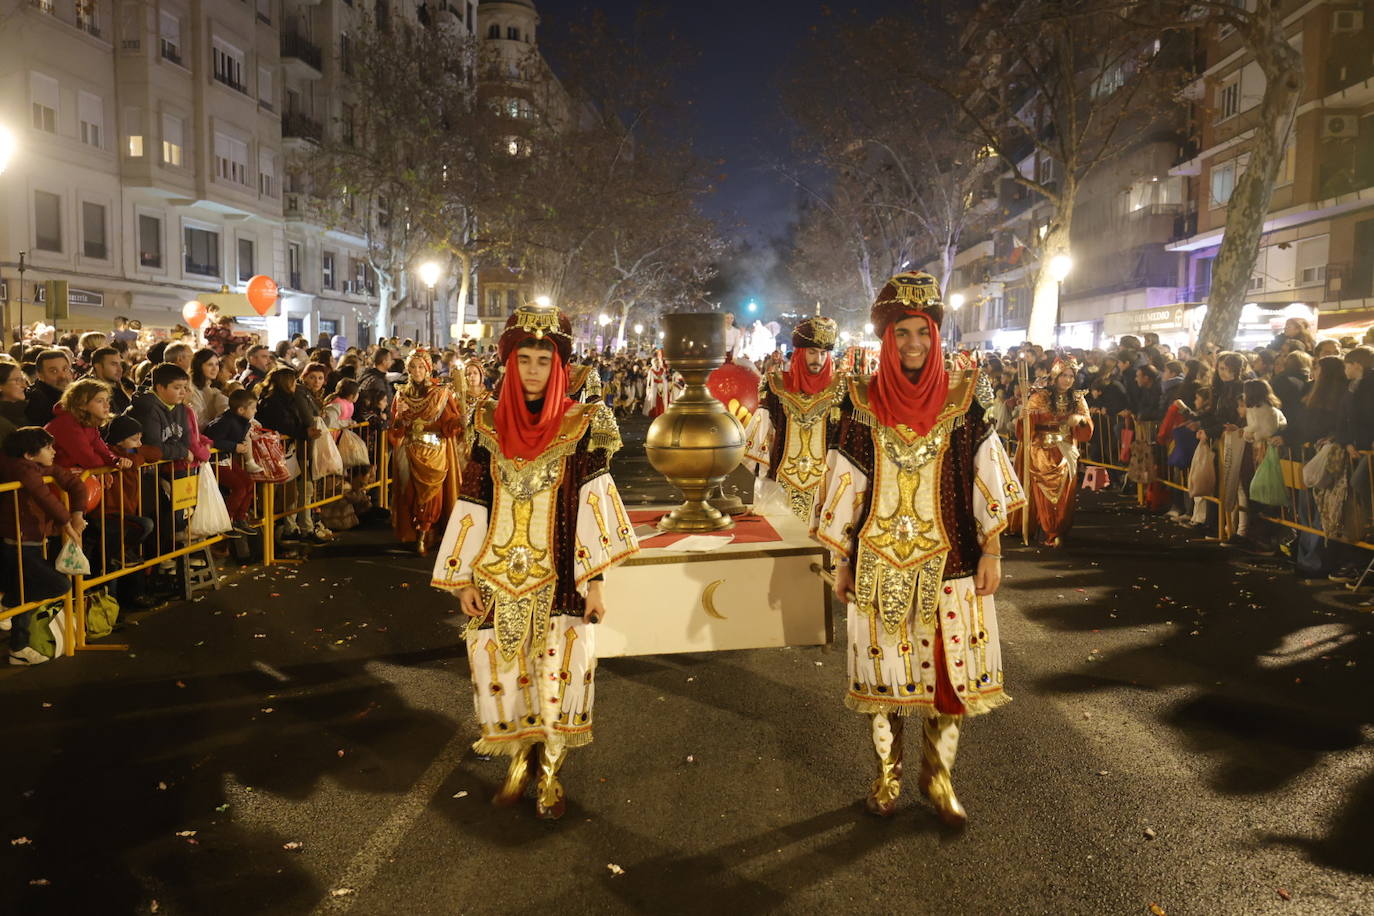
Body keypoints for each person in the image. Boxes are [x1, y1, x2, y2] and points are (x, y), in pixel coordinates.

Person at [816, 272, 1025, 827]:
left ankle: (939, 777)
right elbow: (847, 484)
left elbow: (986, 476)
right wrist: (841, 562)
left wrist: (993, 551)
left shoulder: (965, 399)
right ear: (888, 339)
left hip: (953, 561)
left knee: (946, 681)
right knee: (884, 683)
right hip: (876, 563)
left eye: (923, 333)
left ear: (936, 336)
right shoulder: (859, 401)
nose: (913, 344)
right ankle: (886, 775)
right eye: (903, 333)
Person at [430, 301, 639, 820]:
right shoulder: (486, 422)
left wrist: (597, 583)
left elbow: (595, 498)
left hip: (563, 574)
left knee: (555, 673)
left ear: (558, 366)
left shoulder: (584, 422)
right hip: (495, 575)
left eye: (543, 361)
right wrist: (461, 579)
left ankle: (549, 770)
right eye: (524, 359)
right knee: (503, 670)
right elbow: (474, 499)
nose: (532, 370)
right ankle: (519, 759)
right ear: (510, 362)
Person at [741, 315, 845, 521]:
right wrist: (759, 485)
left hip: (825, 486)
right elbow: (762, 437)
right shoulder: (776, 387)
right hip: (781, 484)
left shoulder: (841, 391)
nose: (819, 359)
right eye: (813, 352)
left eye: (824, 353)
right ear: (799, 354)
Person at [0, 427, 87, 665]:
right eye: (48, 447)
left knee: (25, 591)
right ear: (29, 454)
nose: (53, 451)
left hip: (33, 539)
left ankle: (18, 646)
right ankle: (8, 606)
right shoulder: (19, 468)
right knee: (57, 584)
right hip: (17, 542)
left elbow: (75, 483)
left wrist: (78, 513)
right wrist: (67, 522)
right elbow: (43, 496)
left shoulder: (38, 465)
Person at [387, 350, 463, 553]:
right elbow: (396, 427)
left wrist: (459, 420)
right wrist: (399, 417)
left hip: (434, 450)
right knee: (410, 493)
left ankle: (425, 530)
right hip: (410, 449)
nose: (417, 371)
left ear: (428, 368)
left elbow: (450, 425)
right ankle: (417, 530)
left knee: (432, 495)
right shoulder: (401, 394)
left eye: (421, 366)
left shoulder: (440, 393)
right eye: (412, 367)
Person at [1018, 359, 1093, 547]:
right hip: (1041, 450)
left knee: (1065, 493)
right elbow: (1025, 427)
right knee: (1045, 493)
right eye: (1064, 375)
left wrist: (1081, 421)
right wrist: (1026, 417)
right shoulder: (1039, 397)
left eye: (1071, 376)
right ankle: (1047, 529)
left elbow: (1087, 424)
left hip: (1066, 450)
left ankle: (1059, 529)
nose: (1067, 380)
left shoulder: (1077, 399)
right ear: (1056, 376)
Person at [201, 389, 260, 536]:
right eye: (253, 408)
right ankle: (227, 520)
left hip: (226, 459)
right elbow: (213, 441)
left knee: (248, 482)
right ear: (241, 410)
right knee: (239, 487)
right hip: (216, 462)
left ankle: (240, 519)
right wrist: (235, 447)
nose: (255, 410)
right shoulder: (225, 422)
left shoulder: (241, 422)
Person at [45, 378, 130, 472]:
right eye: (100, 401)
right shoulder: (67, 423)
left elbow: (102, 451)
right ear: (82, 404)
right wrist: (106, 466)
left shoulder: (88, 422)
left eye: (107, 400)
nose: (107, 405)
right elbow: (89, 460)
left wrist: (116, 460)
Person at [25, 349, 73, 426]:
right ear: (40, 374)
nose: (62, 376)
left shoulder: (74, 394)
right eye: (54, 371)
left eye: (65, 369)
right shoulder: (38, 401)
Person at [188, 348, 229, 425]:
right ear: (199, 366)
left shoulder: (213, 387)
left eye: (216, 364)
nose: (215, 369)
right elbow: (198, 421)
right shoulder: (192, 389)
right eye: (210, 364)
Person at [88, 346, 131, 415]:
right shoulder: (90, 394)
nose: (120, 369)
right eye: (113, 364)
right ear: (98, 367)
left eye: (120, 364)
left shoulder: (118, 389)